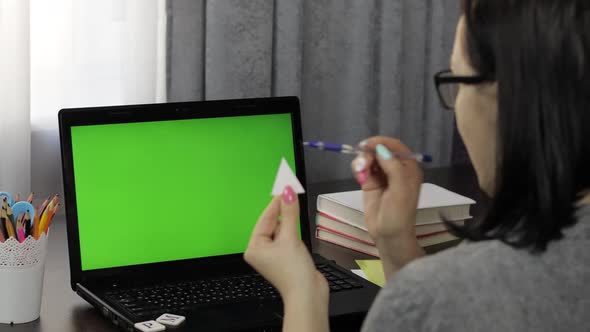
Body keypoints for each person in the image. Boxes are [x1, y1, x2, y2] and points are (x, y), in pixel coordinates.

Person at [244, 0, 590, 330]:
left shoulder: (452, 291)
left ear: (513, 96)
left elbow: (436, 307)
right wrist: (395, 243)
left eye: (456, 80)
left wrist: (303, 292)